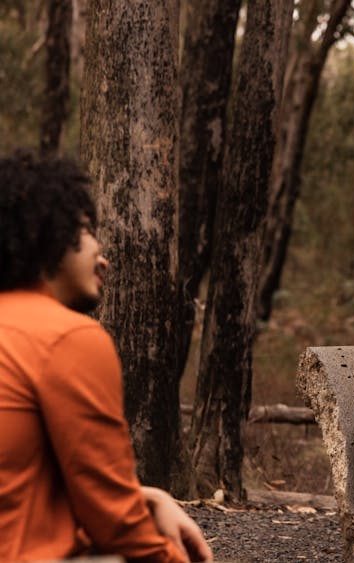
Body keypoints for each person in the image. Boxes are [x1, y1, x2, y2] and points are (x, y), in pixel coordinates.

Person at [0, 152, 212, 562]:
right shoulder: (66, 336)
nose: (103, 256)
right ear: (54, 235)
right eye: (88, 231)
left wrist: (148, 497)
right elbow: (115, 521)